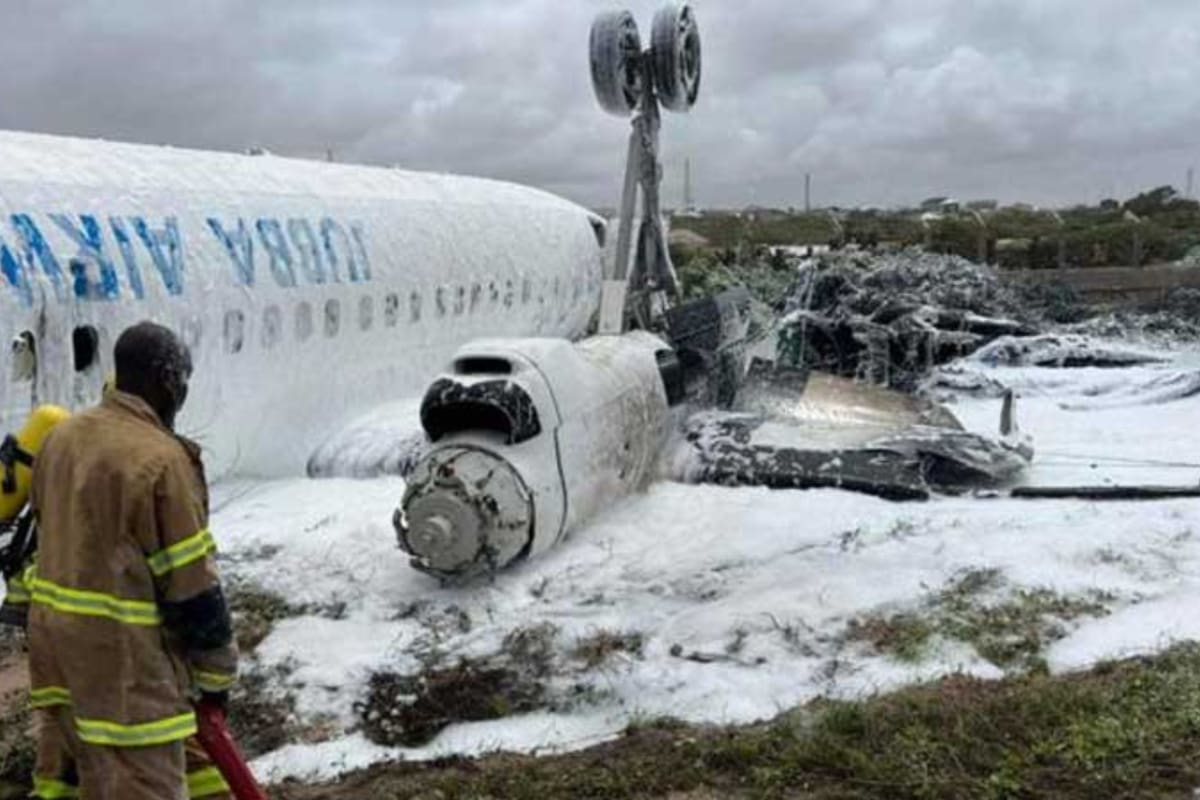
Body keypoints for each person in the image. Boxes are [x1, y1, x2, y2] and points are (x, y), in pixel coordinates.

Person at [26, 321, 237, 800]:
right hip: (126, 673)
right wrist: (217, 673)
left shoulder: (61, 438)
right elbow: (192, 585)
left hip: (58, 661)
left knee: (71, 779)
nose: (182, 396)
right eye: (182, 383)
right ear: (166, 380)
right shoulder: (160, 461)